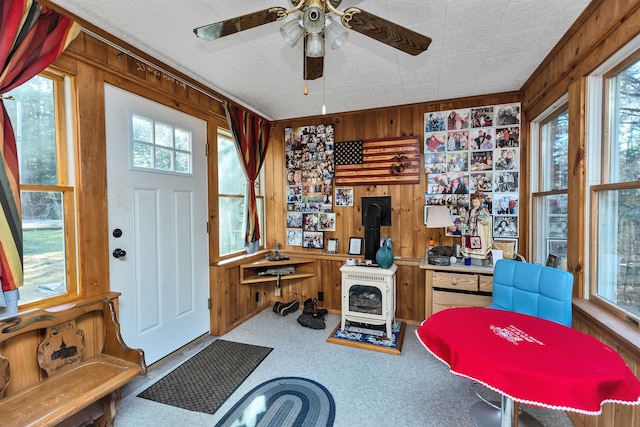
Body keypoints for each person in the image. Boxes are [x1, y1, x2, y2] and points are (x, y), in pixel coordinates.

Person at [460, 194, 493, 259]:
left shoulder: (482, 211)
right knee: (469, 243)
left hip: (478, 230)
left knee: (478, 242)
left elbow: (487, 221)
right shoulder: (469, 211)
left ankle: (479, 255)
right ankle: (469, 254)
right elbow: (465, 221)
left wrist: (481, 218)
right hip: (470, 230)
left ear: (480, 202)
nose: (475, 203)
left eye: (476, 202)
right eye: (473, 202)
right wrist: (463, 218)